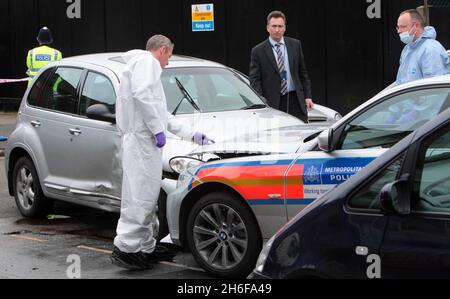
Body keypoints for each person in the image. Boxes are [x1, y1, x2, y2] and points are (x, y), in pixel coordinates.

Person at [111, 35, 213, 270]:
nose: (168, 62)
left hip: (142, 143)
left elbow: (162, 113)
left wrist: (191, 134)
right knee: (140, 198)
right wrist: (157, 131)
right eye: (169, 56)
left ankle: (144, 247)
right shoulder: (148, 63)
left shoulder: (140, 66)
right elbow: (143, 96)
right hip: (141, 143)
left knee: (145, 198)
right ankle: (127, 249)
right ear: (163, 50)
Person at [249, 10, 314, 123]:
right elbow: (255, 80)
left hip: (296, 101)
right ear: (268, 28)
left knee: (299, 133)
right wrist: (262, 102)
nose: (277, 30)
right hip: (273, 103)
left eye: (280, 26)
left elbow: (303, 73)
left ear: (285, 28)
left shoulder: (295, 45)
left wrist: (307, 96)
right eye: (274, 26)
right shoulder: (258, 51)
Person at [396, 9, 450, 85]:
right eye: (398, 27)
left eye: (403, 26)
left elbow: (433, 88)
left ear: (416, 25)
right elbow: (400, 82)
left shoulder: (431, 49)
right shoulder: (407, 49)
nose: (399, 31)